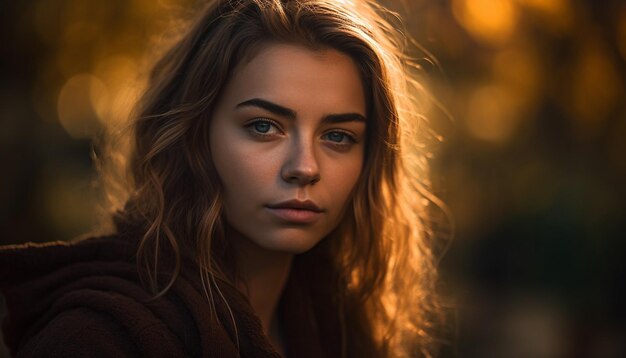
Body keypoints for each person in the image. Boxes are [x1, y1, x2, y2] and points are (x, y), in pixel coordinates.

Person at [0, 0, 443, 357]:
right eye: (264, 126)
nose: (305, 167)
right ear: (194, 135)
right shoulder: (96, 338)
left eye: (339, 136)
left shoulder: (340, 327)